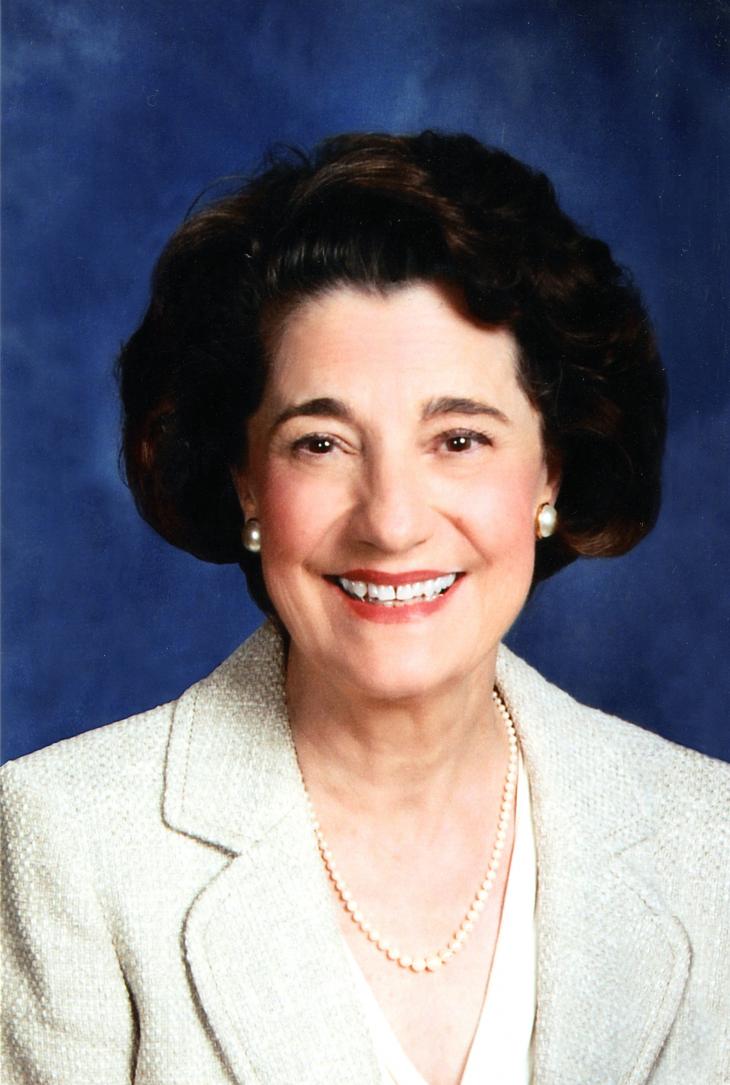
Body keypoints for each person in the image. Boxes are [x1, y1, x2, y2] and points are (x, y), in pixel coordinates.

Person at [1, 131, 728, 1085]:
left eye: (459, 438)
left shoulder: (708, 840)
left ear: (550, 470)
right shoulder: (70, 843)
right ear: (246, 481)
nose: (390, 522)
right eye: (321, 443)